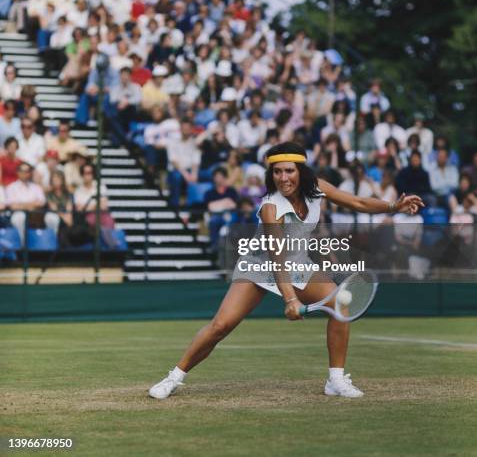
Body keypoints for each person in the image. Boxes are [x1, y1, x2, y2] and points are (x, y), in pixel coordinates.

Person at [149, 142, 423, 400]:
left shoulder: (316, 188)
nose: (283, 178)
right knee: (221, 326)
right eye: (277, 172)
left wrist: (393, 206)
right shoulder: (271, 207)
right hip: (261, 264)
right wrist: (290, 299)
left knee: (341, 304)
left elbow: (358, 203)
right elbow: (276, 258)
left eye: (289, 171)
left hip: (298, 264)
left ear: (301, 171)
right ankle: (173, 378)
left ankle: (335, 380)